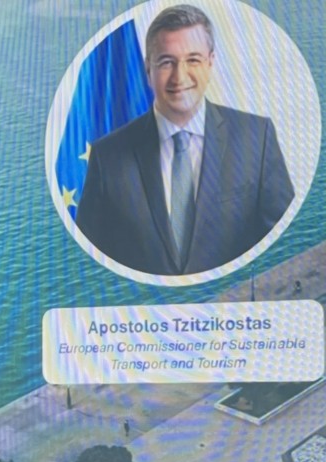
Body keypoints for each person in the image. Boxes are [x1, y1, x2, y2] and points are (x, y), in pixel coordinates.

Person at [76, 4, 294, 276]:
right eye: (167, 62)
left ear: (210, 62)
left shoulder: (257, 138)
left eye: (193, 60)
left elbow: (286, 243)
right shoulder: (106, 156)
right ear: (148, 68)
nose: (180, 77)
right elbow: (88, 262)